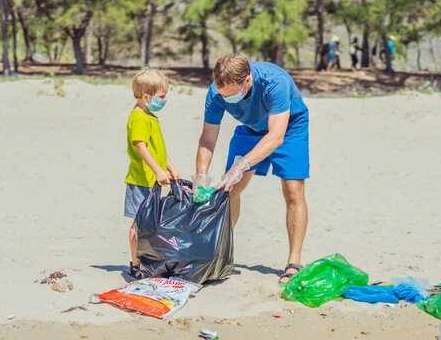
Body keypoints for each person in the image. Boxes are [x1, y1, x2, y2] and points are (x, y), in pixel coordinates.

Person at [194, 54, 309, 284]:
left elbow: (276, 136)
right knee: (229, 188)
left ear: (247, 80)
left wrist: (243, 164)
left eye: (230, 94)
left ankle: (293, 262)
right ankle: (220, 253)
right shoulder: (217, 91)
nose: (225, 98)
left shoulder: (275, 82)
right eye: (222, 93)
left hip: (289, 128)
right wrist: (201, 177)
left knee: (293, 190)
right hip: (250, 128)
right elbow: (208, 137)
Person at [124, 68, 181, 278]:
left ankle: (148, 260)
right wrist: (158, 171)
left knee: (152, 224)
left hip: (153, 180)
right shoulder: (139, 118)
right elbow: (142, 147)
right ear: (146, 97)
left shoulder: (150, 116)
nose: (165, 100)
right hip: (141, 180)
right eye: (162, 96)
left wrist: (170, 168)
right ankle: (136, 264)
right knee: (139, 224)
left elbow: (158, 148)